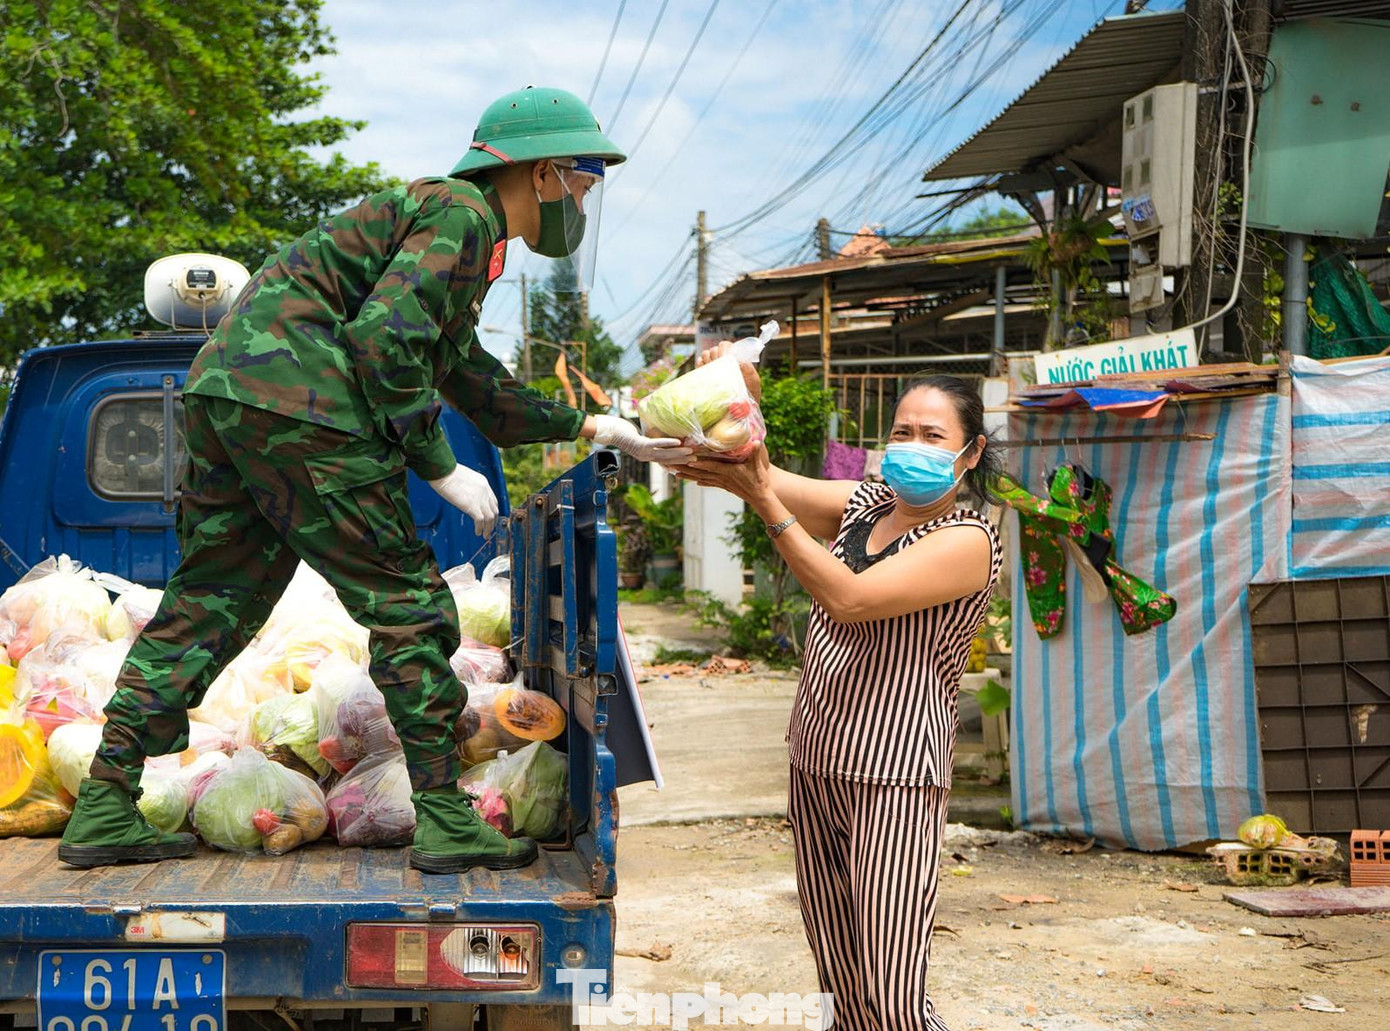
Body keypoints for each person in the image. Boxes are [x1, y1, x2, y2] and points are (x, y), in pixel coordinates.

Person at [58, 86, 690, 873]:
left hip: (227, 392)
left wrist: (592, 426)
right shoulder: (464, 215)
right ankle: (446, 817)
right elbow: (386, 341)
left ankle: (106, 800)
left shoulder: (449, 226)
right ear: (542, 173)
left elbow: (466, 372)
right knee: (410, 606)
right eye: (583, 182)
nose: (583, 201)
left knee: (210, 601)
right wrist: (438, 462)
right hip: (302, 400)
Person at [675, 369, 1002, 1031]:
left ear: (971, 453)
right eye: (902, 432)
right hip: (817, 758)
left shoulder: (967, 538)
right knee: (841, 974)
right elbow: (761, 474)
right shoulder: (868, 503)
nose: (912, 445)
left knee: (891, 985)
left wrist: (768, 505)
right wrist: (735, 404)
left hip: (894, 771)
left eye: (933, 435)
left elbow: (848, 598)